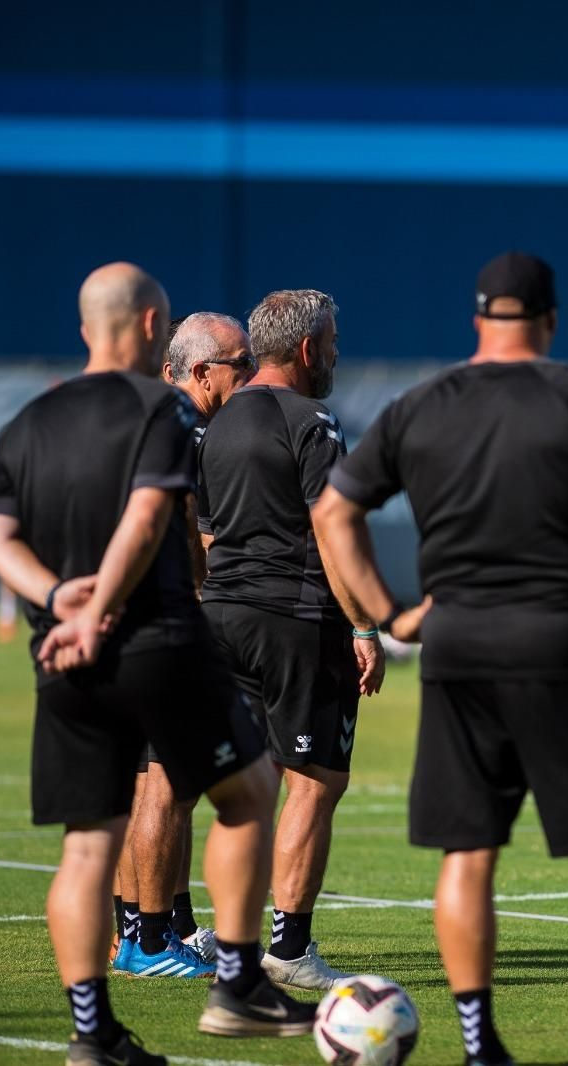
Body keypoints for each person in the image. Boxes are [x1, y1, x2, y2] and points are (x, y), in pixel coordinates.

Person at [312, 251, 568, 1066]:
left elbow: (332, 512)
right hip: (563, 645)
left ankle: (480, 1047)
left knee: (469, 853)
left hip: (457, 648)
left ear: (477, 320)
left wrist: (390, 614)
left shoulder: (418, 405)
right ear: (551, 320)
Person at [0, 262, 315, 1066]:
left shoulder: (27, 422)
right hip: (155, 642)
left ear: (85, 325)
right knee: (251, 793)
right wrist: (101, 609)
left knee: (87, 846)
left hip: (64, 658)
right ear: (155, 326)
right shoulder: (162, 412)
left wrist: (58, 602)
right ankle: (238, 984)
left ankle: (93, 1033)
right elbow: (148, 513)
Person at [196, 289, 382, 991]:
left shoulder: (214, 422)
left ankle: (231, 940)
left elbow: (204, 532)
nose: (334, 353)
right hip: (298, 621)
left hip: (223, 615)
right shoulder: (314, 421)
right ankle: (289, 948)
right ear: (307, 349)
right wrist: (363, 624)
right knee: (314, 780)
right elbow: (333, 529)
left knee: (248, 787)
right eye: (330, 342)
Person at [111, 312, 256, 978]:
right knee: (167, 785)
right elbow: (191, 525)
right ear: (201, 372)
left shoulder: (133, 419)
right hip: (166, 627)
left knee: (144, 783)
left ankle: (144, 929)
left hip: (118, 623)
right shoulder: (188, 433)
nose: (251, 375)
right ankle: (149, 941)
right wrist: (208, 578)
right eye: (241, 364)